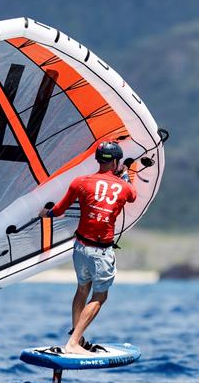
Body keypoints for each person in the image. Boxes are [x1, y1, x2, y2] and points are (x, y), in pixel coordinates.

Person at [39, 141, 136, 356]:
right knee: (100, 297)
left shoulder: (80, 182)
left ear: (98, 160)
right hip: (101, 252)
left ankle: (78, 338)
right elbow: (132, 196)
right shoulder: (125, 187)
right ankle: (74, 343)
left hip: (80, 248)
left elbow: (59, 210)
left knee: (82, 288)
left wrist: (45, 214)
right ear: (117, 162)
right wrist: (125, 176)